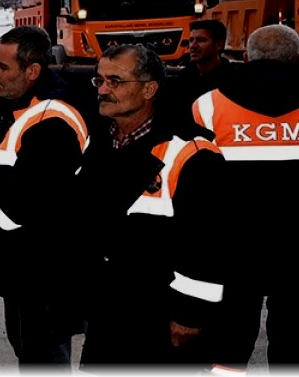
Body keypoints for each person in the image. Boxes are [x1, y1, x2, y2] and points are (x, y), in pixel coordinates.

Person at [192, 24, 299, 370]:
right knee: (295, 349)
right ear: (296, 58)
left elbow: (193, 181)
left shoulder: (208, 106)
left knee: (226, 347)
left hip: (230, 250)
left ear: (246, 57)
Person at [74, 44, 227, 370]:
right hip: (107, 311)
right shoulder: (98, 140)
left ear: (149, 89)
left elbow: (210, 241)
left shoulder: (191, 150)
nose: (103, 90)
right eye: (99, 80)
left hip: (162, 318)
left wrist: (189, 315)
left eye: (115, 81)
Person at [0, 25, 88, 369]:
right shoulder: (6, 107)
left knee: (44, 360)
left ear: (32, 72)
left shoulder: (55, 119)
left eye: (3, 67)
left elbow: (25, 200)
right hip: (17, 266)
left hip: (46, 268)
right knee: (27, 352)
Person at [164, 19, 238, 124]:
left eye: (201, 40)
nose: (193, 46)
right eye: (191, 40)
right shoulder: (182, 80)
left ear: (219, 45)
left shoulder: (232, 79)